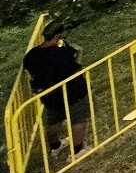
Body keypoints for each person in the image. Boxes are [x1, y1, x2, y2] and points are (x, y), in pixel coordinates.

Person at [21, 27, 89, 158]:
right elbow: (73, 71)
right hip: (71, 92)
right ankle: (78, 150)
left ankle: (54, 147)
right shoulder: (60, 54)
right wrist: (79, 54)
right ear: (58, 36)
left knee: (54, 119)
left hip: (49, 95)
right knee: (78, 118)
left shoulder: (31, 55)